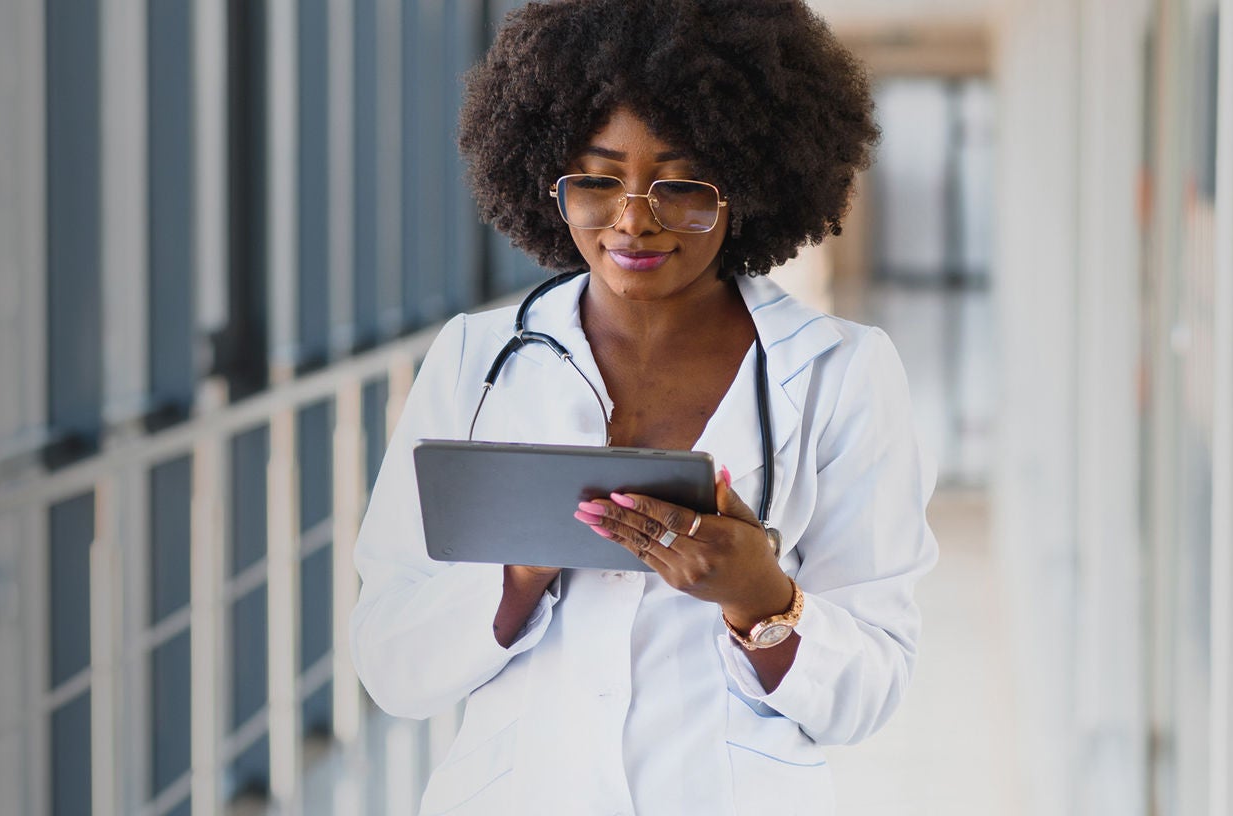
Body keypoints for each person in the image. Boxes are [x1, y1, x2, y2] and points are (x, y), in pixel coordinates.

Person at [348, 1, 938, 813]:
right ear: (548, 177)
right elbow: (390, 662)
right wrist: (518, 576)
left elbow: (870, 690)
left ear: (748, 183)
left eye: (681, 184)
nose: (633, 219)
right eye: (597, 179)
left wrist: (760, 596)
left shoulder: (842, 371)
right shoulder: (475, 359)